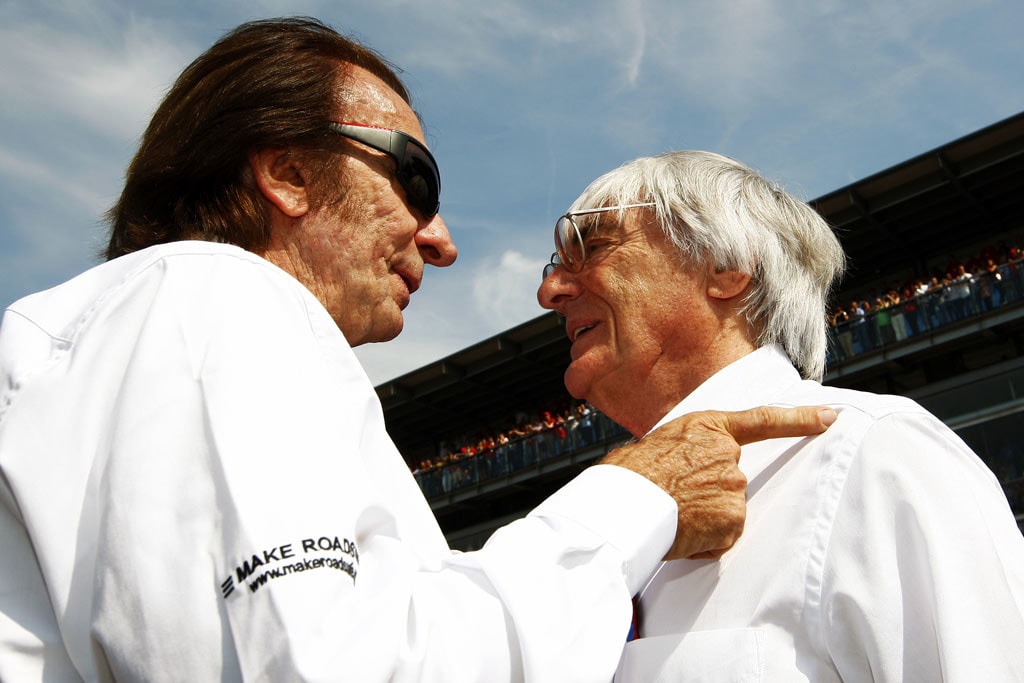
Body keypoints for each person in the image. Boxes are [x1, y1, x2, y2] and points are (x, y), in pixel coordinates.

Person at [0, 19, 834, 683]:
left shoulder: (149, 321)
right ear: (287, 174)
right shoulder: (216, 292)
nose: (440, 239)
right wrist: (632, 502)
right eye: (416, 180)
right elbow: (323, 668)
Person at [537, 151, 1024, 681]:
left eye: (592, 247)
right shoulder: (594, 512)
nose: (550, 291)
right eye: (556, 265)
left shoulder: (873, 453)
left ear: (726, 267)